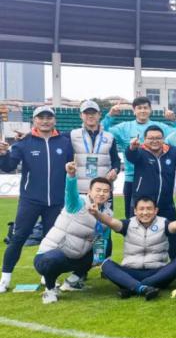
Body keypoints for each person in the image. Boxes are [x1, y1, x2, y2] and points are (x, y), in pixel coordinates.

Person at [0, 106, 73, 293]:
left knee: (52, 241)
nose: (45, 121)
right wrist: (3, 154)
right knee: (18, 238)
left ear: (55, 120)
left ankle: (47, 276)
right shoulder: (24, 142)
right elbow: (8, 166)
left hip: (56, 201)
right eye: (41, 118)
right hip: (30, 200)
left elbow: (73, 165)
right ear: (34, 121)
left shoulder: (65, 142)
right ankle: (5, 278)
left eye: (49, 117)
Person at [32, 162, 112, 303]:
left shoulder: (107, 213)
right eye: (98, 190)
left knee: (105, 247)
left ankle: (72, 282)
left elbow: (102, 238)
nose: (101, 193)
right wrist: (71, 175)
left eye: (105, 191)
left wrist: (99, 257)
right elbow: (70, 192)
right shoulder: (77, 203)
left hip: (76, 256)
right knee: (51, 261)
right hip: (53, 254)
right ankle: (50, 289)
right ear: (89, 191)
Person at [96, 197, 176, 300]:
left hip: (156, 272)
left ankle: (132, 287)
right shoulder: (128, 224)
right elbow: (111, 221)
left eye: (149, 209)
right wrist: (97, 213)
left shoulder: (163, 223)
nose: (145, 212)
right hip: (130, 271)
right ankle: (142, 288)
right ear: (135, 211)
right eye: (141, 209)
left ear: (155, 210)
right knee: (106, 264)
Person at [102, 96, 176, 218]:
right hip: (131, 179)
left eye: (145, 108)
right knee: (132, 218)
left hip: (154, 179)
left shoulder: (159, 127)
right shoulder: (124, 127)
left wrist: (174, 120)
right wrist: (110, 116)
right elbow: (102, 131)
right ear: (134, 110)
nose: (143, 111)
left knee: (158, 217)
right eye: (139, 108)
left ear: (150, 110)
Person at [125, 125, 176, 221]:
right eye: (151, 138)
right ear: (145, 139)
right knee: (137, 230)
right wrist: (132, 148)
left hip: (166, 205)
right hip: (143, 206)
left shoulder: (173, 151)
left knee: (170, 229)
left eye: (158, 138)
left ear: (163, 139)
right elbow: (131, 156)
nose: (155, 141)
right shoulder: (140, 151)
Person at [70, 100, 120, 205]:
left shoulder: (109, 137)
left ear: (99, 115)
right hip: (80, 191)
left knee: (105, 216)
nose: (90, 116)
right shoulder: (72, 135)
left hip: (103, 190)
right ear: (81, 116)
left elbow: (116, 160)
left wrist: (115, 170)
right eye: (86, 113)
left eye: (93, 113)